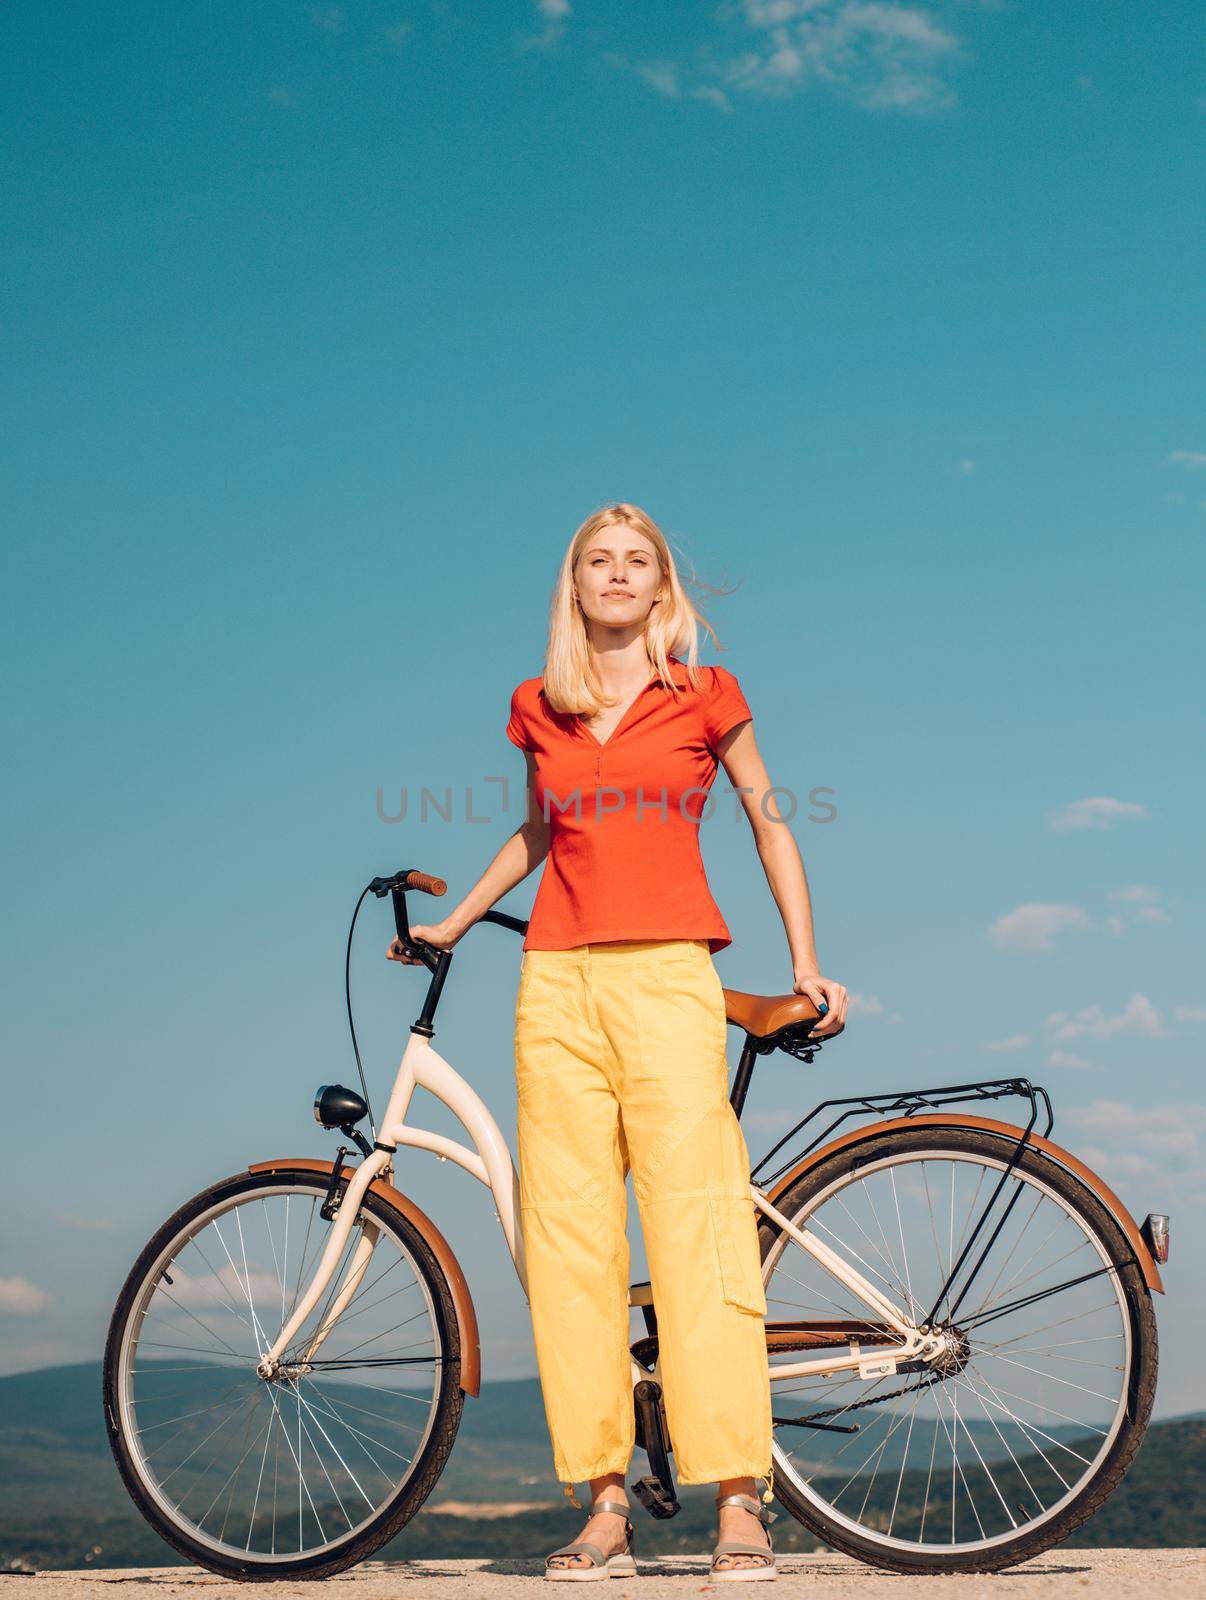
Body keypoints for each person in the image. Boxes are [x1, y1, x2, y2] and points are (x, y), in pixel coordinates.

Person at [389, 502, 847, 1579]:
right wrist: (455, 922)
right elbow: (543, 832)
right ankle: (603, 1501)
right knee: (569, 1248)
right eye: (598, 560)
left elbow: (766, 816)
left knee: (697, 1234)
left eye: (637, 560)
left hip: (668, 976)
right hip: (553, 986)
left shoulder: (704, 692)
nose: (617, 574)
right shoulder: (539, 704)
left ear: (661, 585)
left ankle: (740, 1494)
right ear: (575, 583)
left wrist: (805, 960)